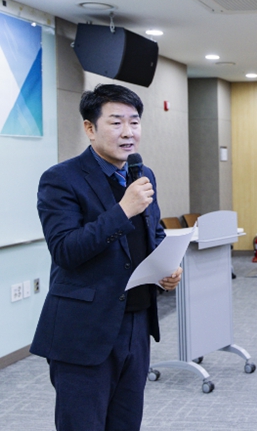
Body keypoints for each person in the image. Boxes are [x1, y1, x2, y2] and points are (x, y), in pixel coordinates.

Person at [31, 84, 183, 430]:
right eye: (116, 122)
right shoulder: (61, 179)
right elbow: (66, 250)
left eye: (134, 122)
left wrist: (168, 268)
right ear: (90, 128)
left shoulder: (143, 174)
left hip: (136, 324)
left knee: (126, 423)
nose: (128, 132)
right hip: (84, 330)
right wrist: (123, 209)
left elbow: (152, 234)